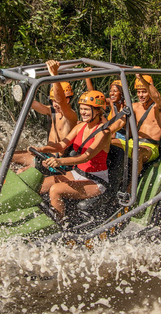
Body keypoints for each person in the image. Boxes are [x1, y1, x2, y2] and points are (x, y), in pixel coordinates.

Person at [33, 90, 111, 222]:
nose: (83, 113)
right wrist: (41, 149)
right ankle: (37, 217)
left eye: (87, 109)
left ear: (97, 110)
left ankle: (58, 227)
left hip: (96, 180)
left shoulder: (103, 132)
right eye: (81, 109)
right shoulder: (80, 126)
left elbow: (85, 157)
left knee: (55, 190)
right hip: (78, 173)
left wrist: (60, 161)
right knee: (39, 184)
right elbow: (61, 146)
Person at [11, 60, 78, 173]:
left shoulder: (71, 116)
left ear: (68, 99)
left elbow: (61, 101)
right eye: (53, 101)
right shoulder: (51, 111)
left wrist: (54, 75)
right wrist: (22, 86)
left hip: (57, 162)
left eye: (57, 101)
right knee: (8, 157)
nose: (55, 104)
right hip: (45, 155)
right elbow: (31, 102)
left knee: (21, 171)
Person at [112, 69, 161, 175]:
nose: (140, 95)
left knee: (137, 152)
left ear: (150, 90)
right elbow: (120, 122)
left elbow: (157, 97)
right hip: (133, 143)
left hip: (150, 147)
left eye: (144, 91)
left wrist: (141, 78)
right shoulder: (134, 106)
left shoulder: (160, 107)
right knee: (107, 142)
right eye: (138, 92)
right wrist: (103, 132)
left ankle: (130, 188)